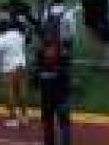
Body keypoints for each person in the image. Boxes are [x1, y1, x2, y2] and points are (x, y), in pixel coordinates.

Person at [34, 14, 72, 145]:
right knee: (63, 124)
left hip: (47, 96)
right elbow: (66, 72)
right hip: (61, 95)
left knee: (49, 124)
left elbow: (36, 76)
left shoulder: (40, 52)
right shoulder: (63, 51)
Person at [0, 20, 29, 127]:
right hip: (21, 66)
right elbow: (23, 44)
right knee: (21, 92)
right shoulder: (18, 35)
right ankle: (24, 117)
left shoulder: (2, 39)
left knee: (9, 93)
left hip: (8, 68)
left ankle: (13, 118)